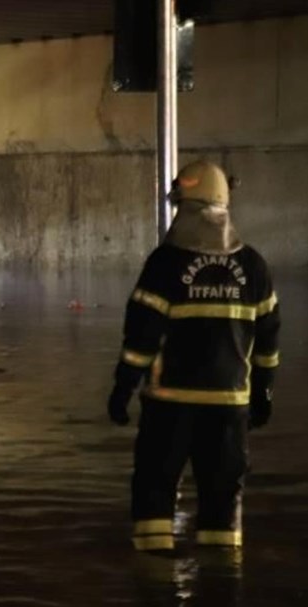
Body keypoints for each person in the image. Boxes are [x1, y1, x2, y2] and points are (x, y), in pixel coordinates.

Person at [107, 159, 280, 552]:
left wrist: (121, 391)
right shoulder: (253, 267)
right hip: (229, 410)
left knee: (154, 494)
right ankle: (223, 596)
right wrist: (263, 396)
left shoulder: (165, 264)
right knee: (223, 507)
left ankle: (153, 594)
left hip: (170, 407)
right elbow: (268, 344)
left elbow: (141, 339)